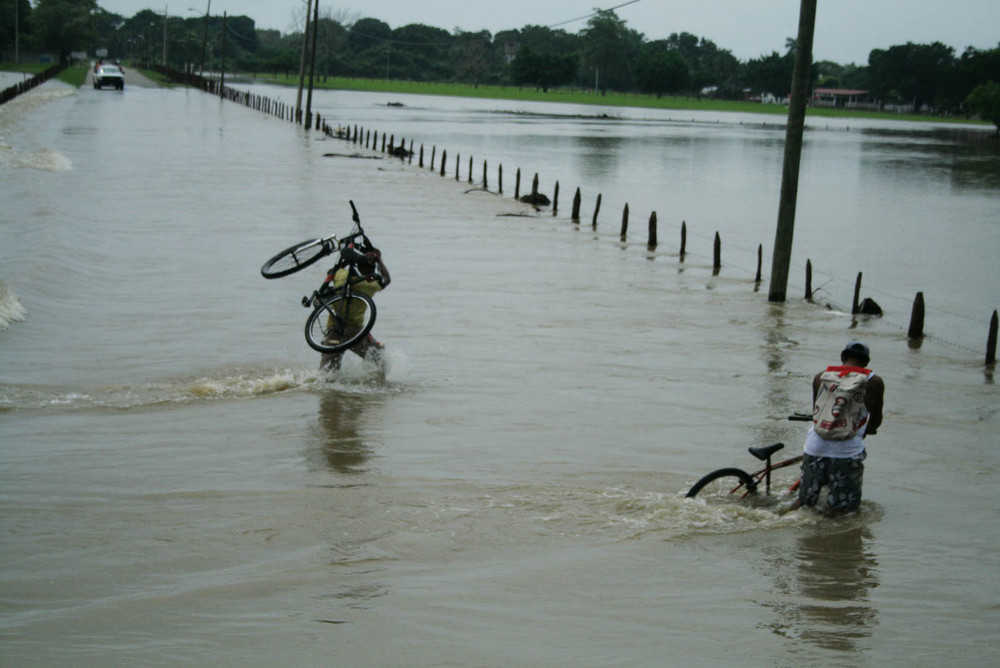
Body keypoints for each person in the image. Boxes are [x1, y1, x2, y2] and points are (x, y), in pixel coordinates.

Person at [795, 341, 884, 513]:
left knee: (805, 506)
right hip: (847, 451)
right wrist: (868, 430)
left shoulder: (821, 377)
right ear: (866, 362)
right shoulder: (874, 382)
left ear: (842, 358)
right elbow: (876, 419)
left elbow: (817, 413)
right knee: (845, 512)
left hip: (815, 446)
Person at [318, 245, 390, 373]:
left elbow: (332, 271)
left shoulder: (341, 276)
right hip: (356, 333)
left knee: (326, 374)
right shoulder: (369, 286)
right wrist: (378, 259)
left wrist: (347, 260)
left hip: (335, 330)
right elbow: (386, 279)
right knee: (381, 361)